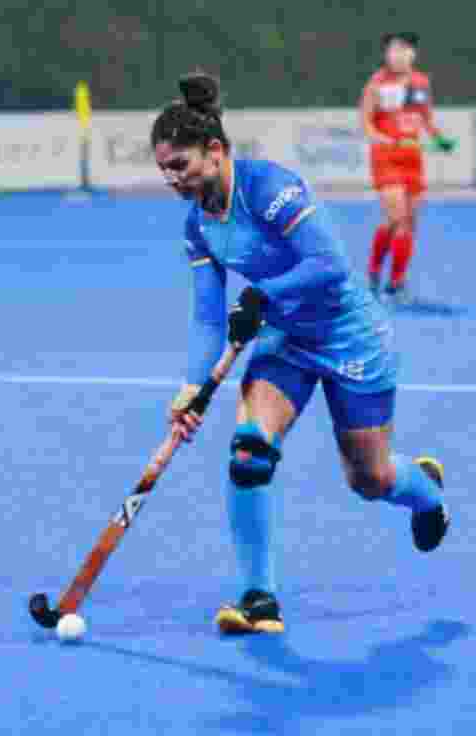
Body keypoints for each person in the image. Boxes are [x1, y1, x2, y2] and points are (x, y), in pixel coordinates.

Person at [156, 73, 449, 635]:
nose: (172, 179)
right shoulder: (198, 225)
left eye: (181, 165)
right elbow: (209, 316)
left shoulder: (269, 188)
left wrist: (264, 296)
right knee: (249, 454)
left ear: (214, 152)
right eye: (165, 168)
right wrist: (193, 388)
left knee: (371, 479)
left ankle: (427, 493)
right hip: (286, 342)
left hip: (348, 337)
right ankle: (258, 598)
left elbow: (329, 265)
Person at [359, 32, 456, 304]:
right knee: (397, 219)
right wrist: (387, 140)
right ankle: (378, 276)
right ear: (385, 54)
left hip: (413, 160)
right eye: (393, 50)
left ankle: (395, 284)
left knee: (408, 224)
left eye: (404, 50)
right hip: (386, 158)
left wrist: (439, 137)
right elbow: (366, 123)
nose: (398, 55)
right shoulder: (376, 85)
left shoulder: (421, 83)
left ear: (413, 54)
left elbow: (425, 118)